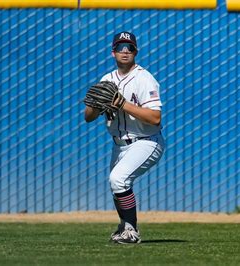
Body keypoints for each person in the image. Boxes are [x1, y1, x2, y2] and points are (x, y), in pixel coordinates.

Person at [84, 31, 165, 244]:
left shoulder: (144, 79)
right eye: (120, 47)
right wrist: (95, 106)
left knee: (118, 179)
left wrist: (123, 104)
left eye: (129, 47)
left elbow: (155, 118)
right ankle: (124, 227)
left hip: (146, 141)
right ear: (113, 52)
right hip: (119, 145)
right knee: (117, 184)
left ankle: (131, 231)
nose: (125, 51)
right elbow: (88, 117)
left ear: (136, 51)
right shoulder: (106, 80)